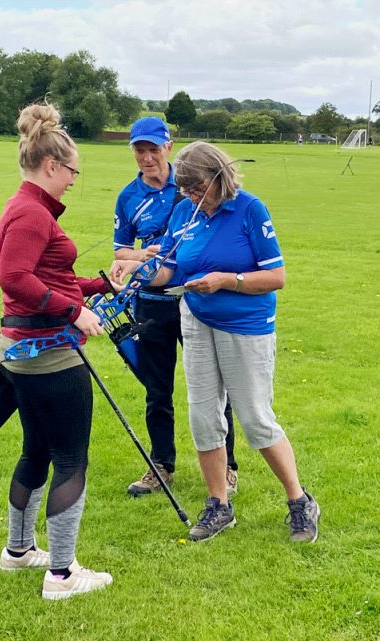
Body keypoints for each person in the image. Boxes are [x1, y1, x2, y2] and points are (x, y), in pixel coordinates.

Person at [111, 141, 320, 543]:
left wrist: (227, 280)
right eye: (185, 189)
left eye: (197, 187)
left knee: (256, 419)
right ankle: (218, 505)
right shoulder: (186, 210)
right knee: (204, 415)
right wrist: (133, 268)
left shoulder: (248, 209)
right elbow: (169, 267)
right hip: (196, 319)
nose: (191, 195)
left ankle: (300, 501)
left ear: (219, 177)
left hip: (246, 326)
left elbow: (276, 277)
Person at [0, 102, 117, 599]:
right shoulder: (30, 213)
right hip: (47, 352)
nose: (73, 179)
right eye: (72, 171)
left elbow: (49, 276)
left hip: (27, 349)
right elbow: (15, 278)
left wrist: (101, 285)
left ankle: (20, 551)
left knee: (38, 449)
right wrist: (74, 312)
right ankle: (63, 575)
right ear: (51, 166)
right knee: (71, 458)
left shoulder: (30, 208)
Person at [113, 116, 239, 497]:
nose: (147, 157)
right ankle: (161, 465)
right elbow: (121, 250)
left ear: (169, 147)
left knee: (215, 389)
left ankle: (228, 466)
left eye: (154, 149)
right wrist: (142, 254)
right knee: (157, 389)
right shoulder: (128, 196)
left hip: (196, 298)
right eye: (140, 150)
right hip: (151, 302)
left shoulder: (191, 182)